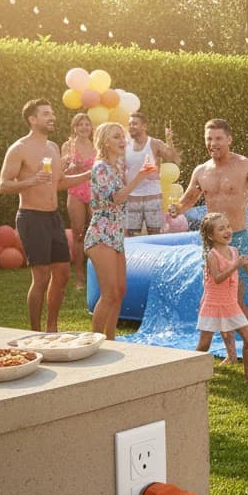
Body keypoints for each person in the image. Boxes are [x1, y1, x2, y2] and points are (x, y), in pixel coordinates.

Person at [168, 118, 248, 360]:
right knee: (218, 297)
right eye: (209, 138)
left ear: (229, 139)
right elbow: (188, 200)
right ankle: (230, 354)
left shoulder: (244, 165)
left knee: (236, 300)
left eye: (218, 138)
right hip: (210, 242)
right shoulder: (201, 170)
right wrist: (177, 209)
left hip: (236, 237)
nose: (213, 143)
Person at [0, 99, 89, 331]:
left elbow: (59, 183)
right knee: (41, 276)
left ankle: (52, 329)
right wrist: (31, 180)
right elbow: (4, 185)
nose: (52, 117)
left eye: (52, 113)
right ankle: (35, 332)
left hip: (52, 217)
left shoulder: (53, 148)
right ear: (32, 119)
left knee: (63, 273)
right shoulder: (19, 148)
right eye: (46, 114)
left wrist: (89, 173)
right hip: (31, 216)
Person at [83, 122, 156, 339]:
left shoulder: (115, 167)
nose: (123, 140)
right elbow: (117, 198)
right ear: (105, 142)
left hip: (115, 235)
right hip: (101, 234)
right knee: (108, 294)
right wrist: (141, 177)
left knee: (119, 292)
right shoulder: (101, 167)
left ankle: (112, 340)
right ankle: (94, 341)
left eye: (123, 137)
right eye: (116, 137)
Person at [196, 212, 248, 382]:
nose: (227, 231)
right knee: (204, 345)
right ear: (211, 236)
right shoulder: (212, 255)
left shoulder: (234, 251)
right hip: (213, 304)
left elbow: (247, 267)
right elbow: (217, 278)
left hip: (231, 305)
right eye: (221, 229)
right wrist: (235, 266)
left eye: (228, 227)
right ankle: (190, 372)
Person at [125, 112, 181, 236]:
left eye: (135, 124)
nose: (131, 127)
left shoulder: (154, 143)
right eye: (129, 124)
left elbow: (172, 158)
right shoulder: (126, 145)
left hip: (152, 195)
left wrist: (169, 140)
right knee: (130, 233)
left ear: (144, 126)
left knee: (154, 231)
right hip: (132, 196)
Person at [61, 111, 95, 289]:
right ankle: (80, 277)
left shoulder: (97, 145)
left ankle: (96, 274)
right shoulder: (68, 146)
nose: (84, 127)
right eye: (80, 124)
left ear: (91, 127)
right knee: (78, 234)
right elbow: (61, 174)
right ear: (75, 128)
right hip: (75, 191)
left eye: (87, 124)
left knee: (98, 231)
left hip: (95, 192)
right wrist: (70, 166)